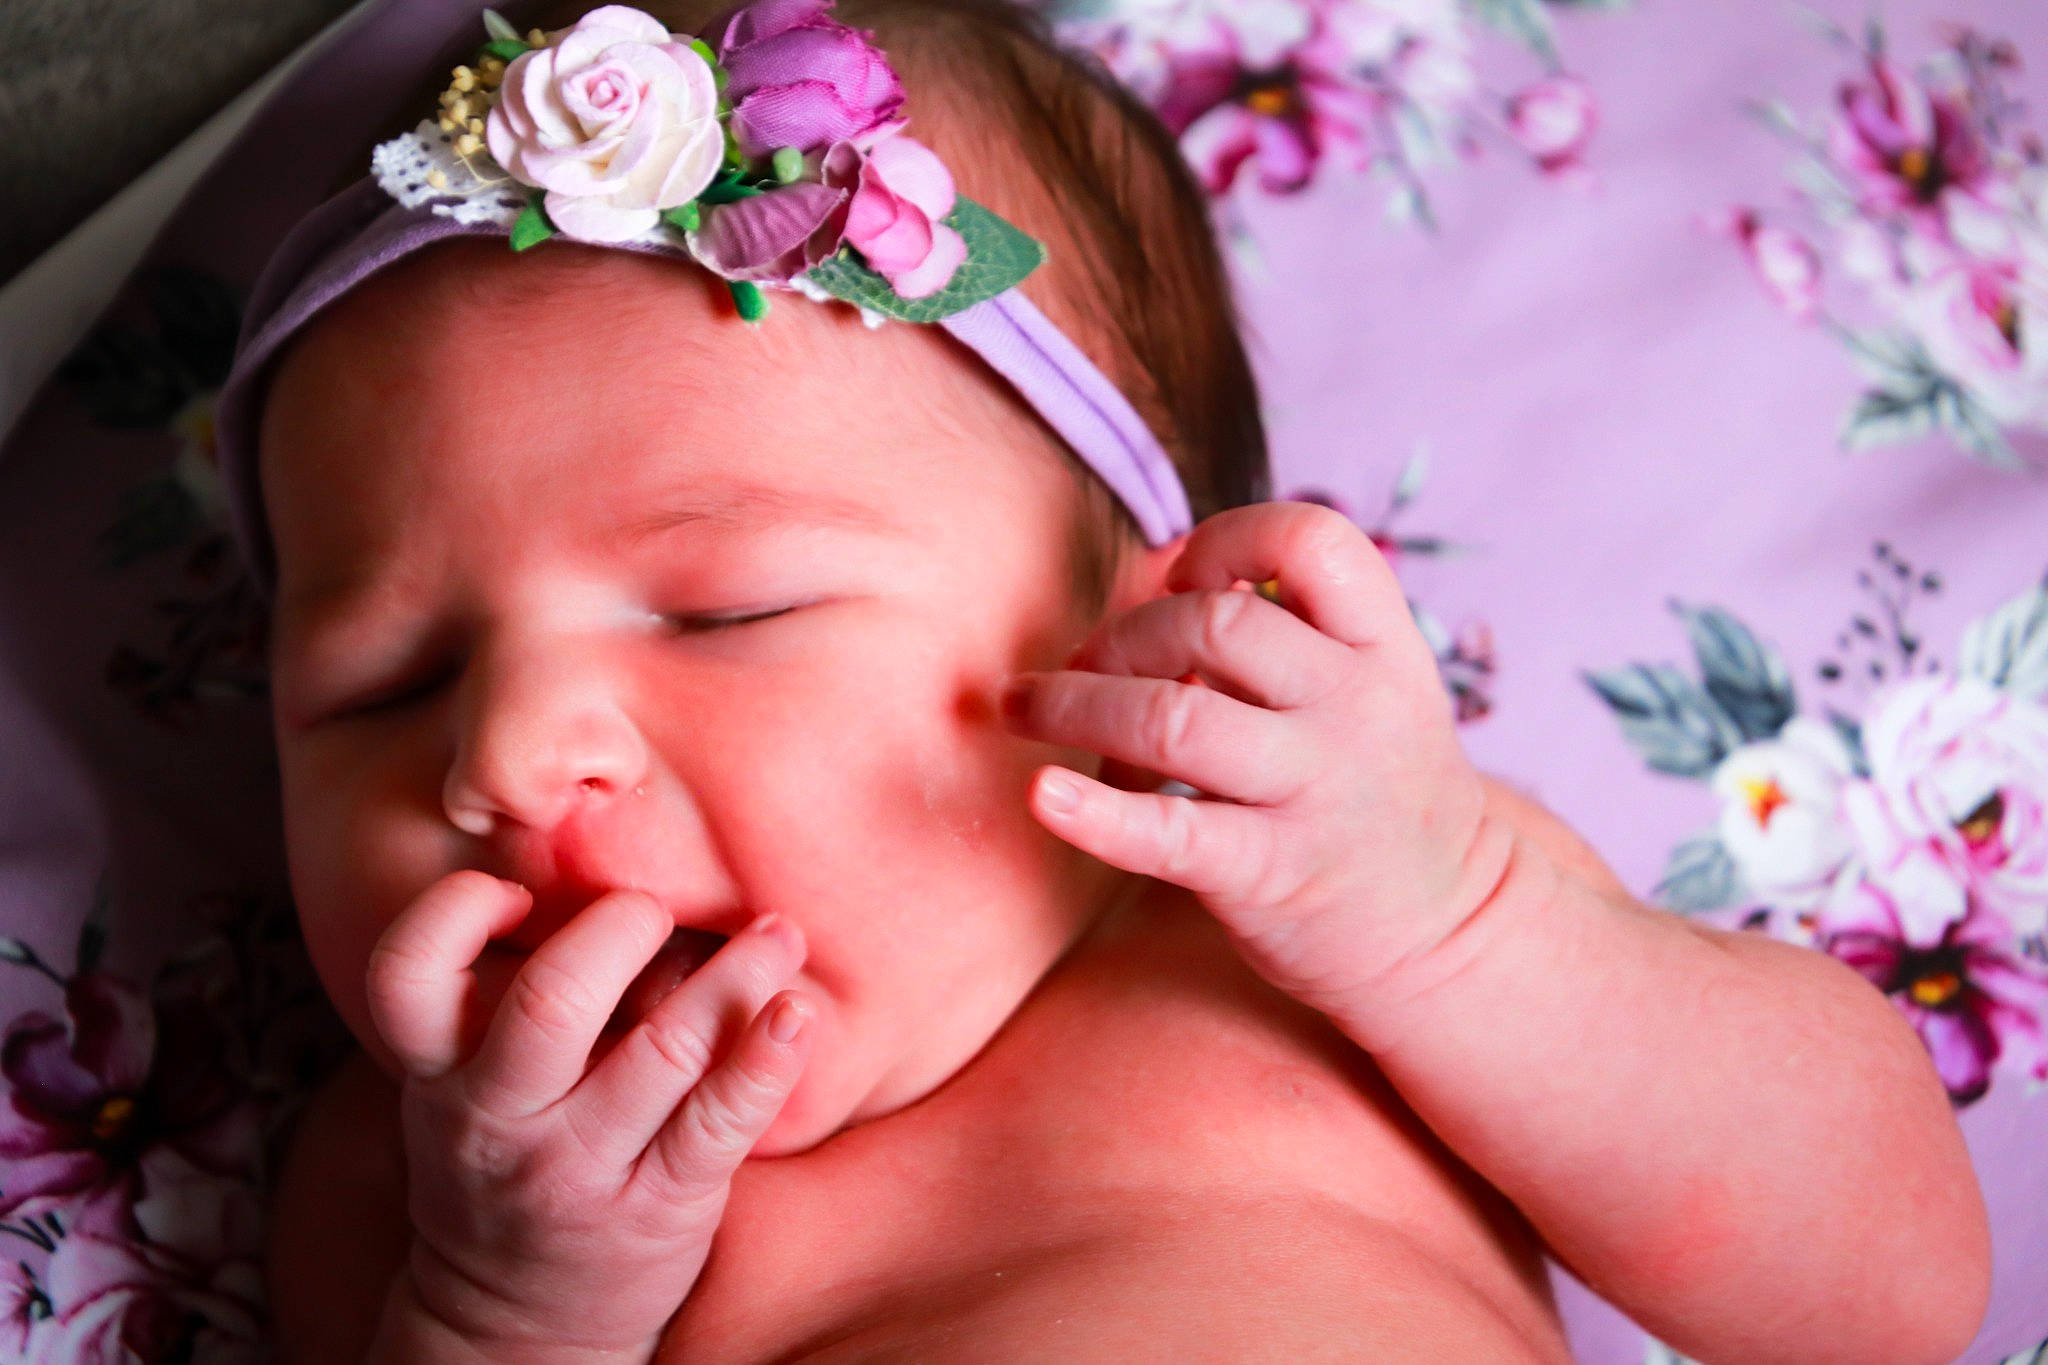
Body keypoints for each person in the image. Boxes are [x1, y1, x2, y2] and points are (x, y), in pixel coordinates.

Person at [227, 0, 1991, 1359]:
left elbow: (1888, 1298)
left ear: (1141, 636)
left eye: (726, 611)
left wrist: (1453, 915)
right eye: (384, 679)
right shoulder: (425, 1180)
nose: (512, 752)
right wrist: (506, 1313)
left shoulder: (1313, 921)